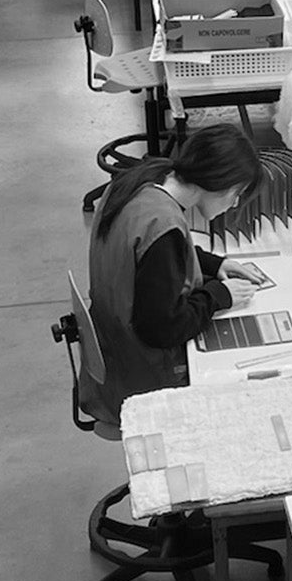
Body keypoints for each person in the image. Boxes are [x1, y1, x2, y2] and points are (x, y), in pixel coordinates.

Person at [82, 125, 267, 422]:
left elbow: (147, 255)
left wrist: (212, 264)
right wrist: (220, 296)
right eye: (237, 194)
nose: (234, 204)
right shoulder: (164, 228)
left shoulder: (143, 179)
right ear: (220, 182)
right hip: (147, 380)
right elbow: (162, 329)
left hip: (114, 355)